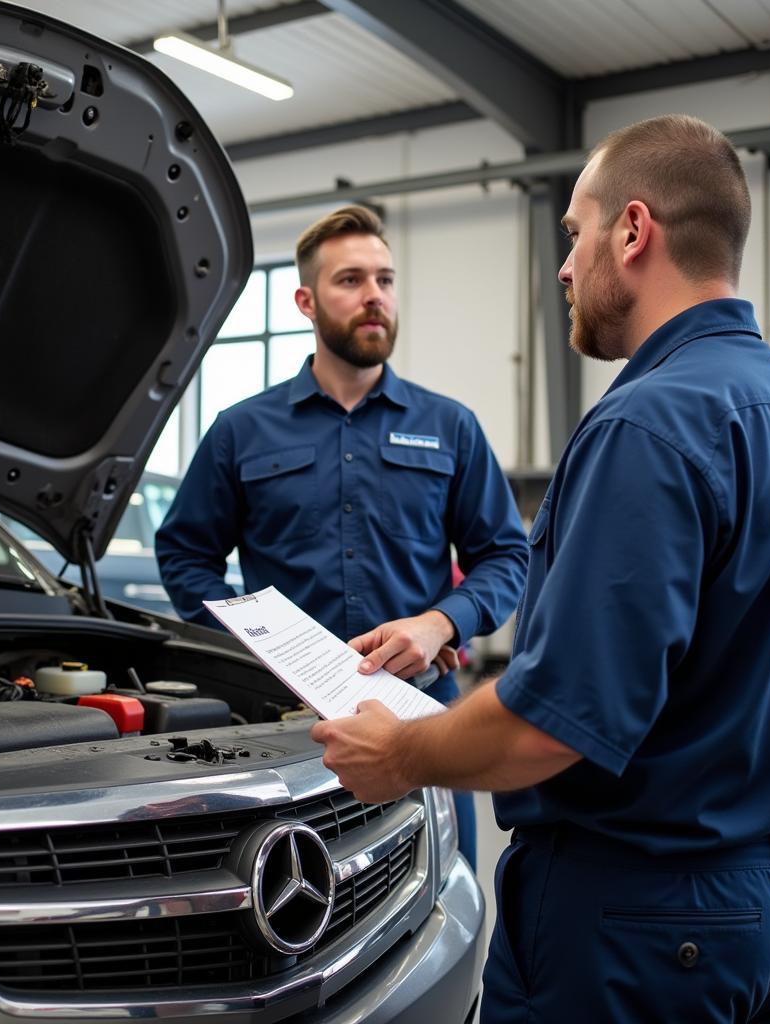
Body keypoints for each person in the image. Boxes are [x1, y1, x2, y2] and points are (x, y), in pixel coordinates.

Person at [311, 115, 770, 1023]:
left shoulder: (645, 427)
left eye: (575, 234)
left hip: (638, 923)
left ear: (633, 230)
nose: (568, 268)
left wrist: (402, 755)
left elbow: (552, 724)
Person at [156, 205, 529, 871]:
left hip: (423, 723)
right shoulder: (242, 431)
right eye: (350, 280)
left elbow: (505, 556)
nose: (374, 298)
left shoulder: (451, 427)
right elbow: (186, 554)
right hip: (285, 729)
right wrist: (251, 644)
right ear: (305, 300)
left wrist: (443, 623)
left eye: (385, 280)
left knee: (441, 894)